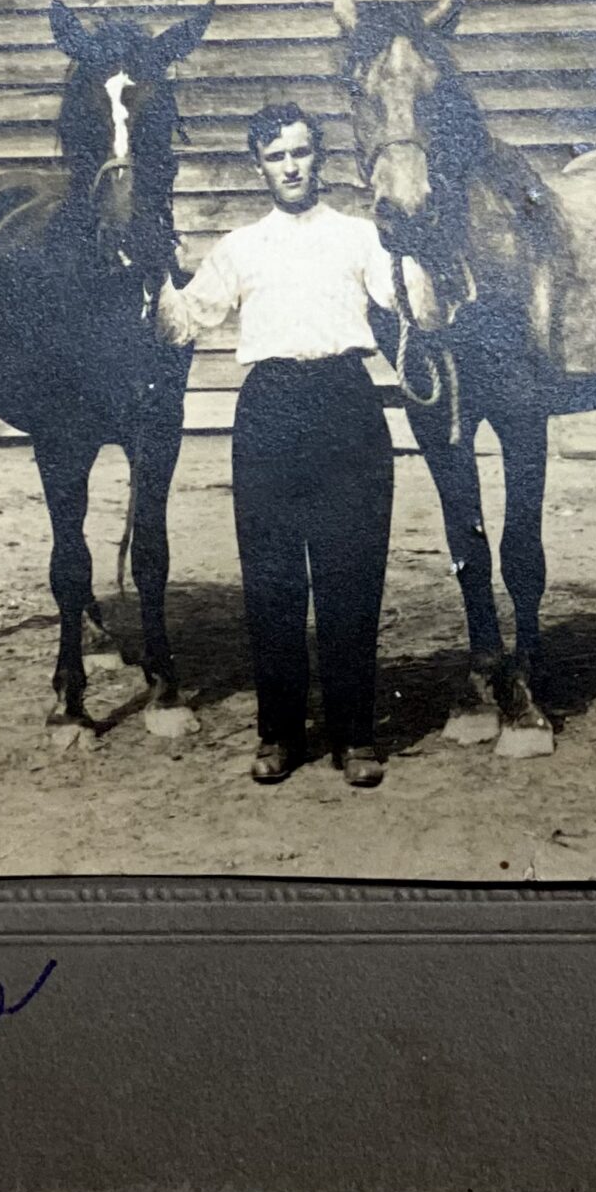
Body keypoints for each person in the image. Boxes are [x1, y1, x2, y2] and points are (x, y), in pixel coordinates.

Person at [158, 102, 400, 788]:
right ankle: (280, 734)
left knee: (352, 573)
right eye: (276, 156)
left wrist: (417, 247)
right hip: (269, 409)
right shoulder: (240, 247)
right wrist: (152, 272)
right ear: (259, 167)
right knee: (272, 579)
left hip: (347, 402)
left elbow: (406, 302)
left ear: (319, 157)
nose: (290, 167)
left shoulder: (360, 237)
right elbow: (184, 321)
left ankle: (356, 736)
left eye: (300, 152)